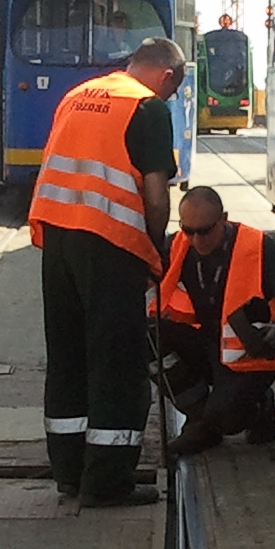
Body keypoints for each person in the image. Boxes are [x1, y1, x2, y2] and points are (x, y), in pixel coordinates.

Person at [28, 36, 186, 508]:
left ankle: (70, 471)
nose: (170, 98)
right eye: (173, 91)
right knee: (117, 362)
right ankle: (108, 480)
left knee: (68, 355)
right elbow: (156, 195)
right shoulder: (148, 108)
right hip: (111, 244)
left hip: (58, 239)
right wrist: (155, 251)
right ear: (166, 76)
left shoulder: (77, 95)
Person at [160, 186, 275, 458]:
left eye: (205, 231)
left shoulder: (258, 246)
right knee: (144, 337)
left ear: (224, 219)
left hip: (246, 357)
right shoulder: (177, 245)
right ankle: (201, 420)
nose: (196, 239)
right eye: (188, 230)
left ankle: (259, 405)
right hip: (206, 345)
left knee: (227, 418)